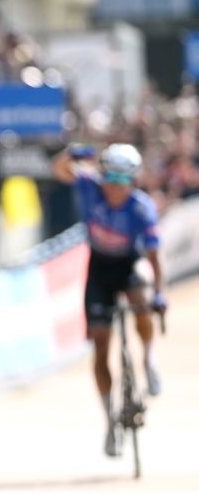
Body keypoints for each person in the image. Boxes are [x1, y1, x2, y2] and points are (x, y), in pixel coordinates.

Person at [52, 143, 165, 457]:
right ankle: (110, 419)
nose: (116, 186)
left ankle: (149, 359)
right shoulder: (90, 187)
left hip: (128, 264)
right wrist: (71, 154)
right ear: (102, 176)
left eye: (124, 179)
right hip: (99, 269)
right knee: (100, 345)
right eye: (111, 178)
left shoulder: (142, 207)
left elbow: (155, 257)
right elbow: (59, 170)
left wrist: (159, 293)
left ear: (134, 180)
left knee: (142, 297)